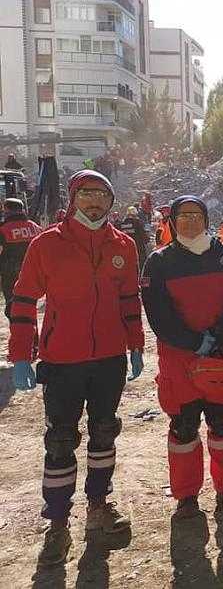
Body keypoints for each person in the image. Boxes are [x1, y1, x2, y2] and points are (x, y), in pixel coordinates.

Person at [7, 170, 144, 566]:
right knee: (61, 439)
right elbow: (23, 298)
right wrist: (20, 353)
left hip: (109, 360)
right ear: (72, 198)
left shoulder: (124, 245)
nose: (94, 202)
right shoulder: (47, 244)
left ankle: (99, 505)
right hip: (62, 360)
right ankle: (58, 521)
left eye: (102, 195)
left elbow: (130, 300)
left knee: (104, 432)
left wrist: (135, 345)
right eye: (86, 193)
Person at [141, 195, 223, 518]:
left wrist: (218, 337)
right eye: (183, 215)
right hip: (179, 362)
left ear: (206, 218)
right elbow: (158, 315)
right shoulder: (159, 263)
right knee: (183, 428)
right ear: (172, 221)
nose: (190, 221)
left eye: (196, 214)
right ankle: (186, 496)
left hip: (221, 356)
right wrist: (194, 342)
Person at [0, 198, 41, 318]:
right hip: (33, 272)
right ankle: (33, 334)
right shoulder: (35, 227)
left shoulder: (3, 229)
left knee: (13, 308)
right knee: (29, 305)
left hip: (10, 274)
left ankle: (19, 333)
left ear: (6, 209)